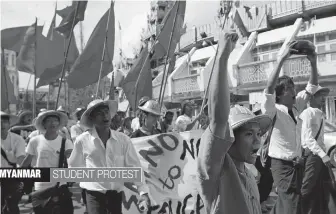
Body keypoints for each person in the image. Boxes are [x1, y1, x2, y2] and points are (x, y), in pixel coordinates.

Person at [196, 31, 272, 214]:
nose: (257, 141)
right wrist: (222, 57)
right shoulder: (216, 171)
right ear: (229, 140)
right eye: (248, 134)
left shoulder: (250, 175)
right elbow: (219, 119)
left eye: (258, 134)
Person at [261, 40, 319, 214]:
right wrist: (281, 60)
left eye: (293, 87)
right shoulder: (272, 110)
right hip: (281, 165)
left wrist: (313, 62)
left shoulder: (296, 105)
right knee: (293, 204)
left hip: (298, 164)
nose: (294, 91)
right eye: (289, 88)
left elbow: (312, 86)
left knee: (291, 202)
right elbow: (268, 90)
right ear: (280, 95)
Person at [68, 99, 151, 214]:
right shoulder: (82, 141)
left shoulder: (123, 140)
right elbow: (74, 167)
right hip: (94, 196)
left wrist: (143, 192)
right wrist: (86, 184)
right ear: (92, 118)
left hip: (115, 196)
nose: (105, 116)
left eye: (106, 112)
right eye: (100, 113)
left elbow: (134, 167)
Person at [21, 110, 73, 214]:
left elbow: (72, 161)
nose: (52, 123)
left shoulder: (65, 142)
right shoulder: (35, 141)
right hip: (40, 186)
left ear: (59, 123)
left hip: (59, 186)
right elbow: (26, 161)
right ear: (43, 124)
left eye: (55, 120)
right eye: (49, 120)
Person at [300, 86, 336, 214]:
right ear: (312, 97)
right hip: (313, 155)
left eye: (324, 96)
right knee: (308, 187)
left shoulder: (319, 113)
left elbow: (319, 138)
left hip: (320, 155)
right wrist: (323, 155)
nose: (323, 98)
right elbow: (308, 138)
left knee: (324, 186)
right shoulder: (308, 113)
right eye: (320, 95)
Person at [1, 111, 26, 214]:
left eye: (4, 122)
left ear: (9, 123)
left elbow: (21, 158)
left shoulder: (17, 139)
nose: (1, 124)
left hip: (11, 175)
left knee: (12, 205)